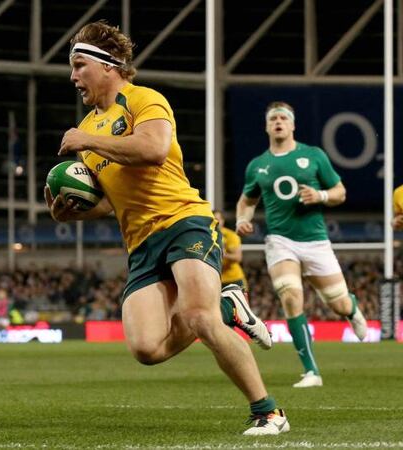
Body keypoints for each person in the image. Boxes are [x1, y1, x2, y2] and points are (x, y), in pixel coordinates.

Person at [45, 21, 287, 435]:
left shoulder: (144, 100)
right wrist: (71, 212)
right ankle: (230, 306)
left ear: (108, 66)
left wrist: (87, 143)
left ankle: (268, 413)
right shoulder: (89, 128)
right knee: (146, 348)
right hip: (140, 244)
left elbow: (154, 149)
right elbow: (108, 202)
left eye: (79, 65)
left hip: (183, 222)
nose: (73, 76)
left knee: (197, 315)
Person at [236, 101, 367, 388]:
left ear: (293, 125)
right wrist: (242, 221)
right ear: (267, 126)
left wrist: (320, 196)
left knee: (338, 303)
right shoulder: (258, 165)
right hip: (280, 240)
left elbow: (340, 192)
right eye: (274, 118)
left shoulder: (314, 155)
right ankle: (311, 371)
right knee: (290, 295)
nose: (279, 122)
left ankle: (352, 309)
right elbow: (247, 200)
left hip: (316, 241)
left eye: (284, 117)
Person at [213, 211, 248, 291]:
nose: (216, 222)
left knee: (240, 303)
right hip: (215, 278)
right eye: (213, 219)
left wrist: (223, 254)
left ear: (223, 220)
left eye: (218, 219)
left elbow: (238, 257)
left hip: (233, 278)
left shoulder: (231, 235)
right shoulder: (206, 236)